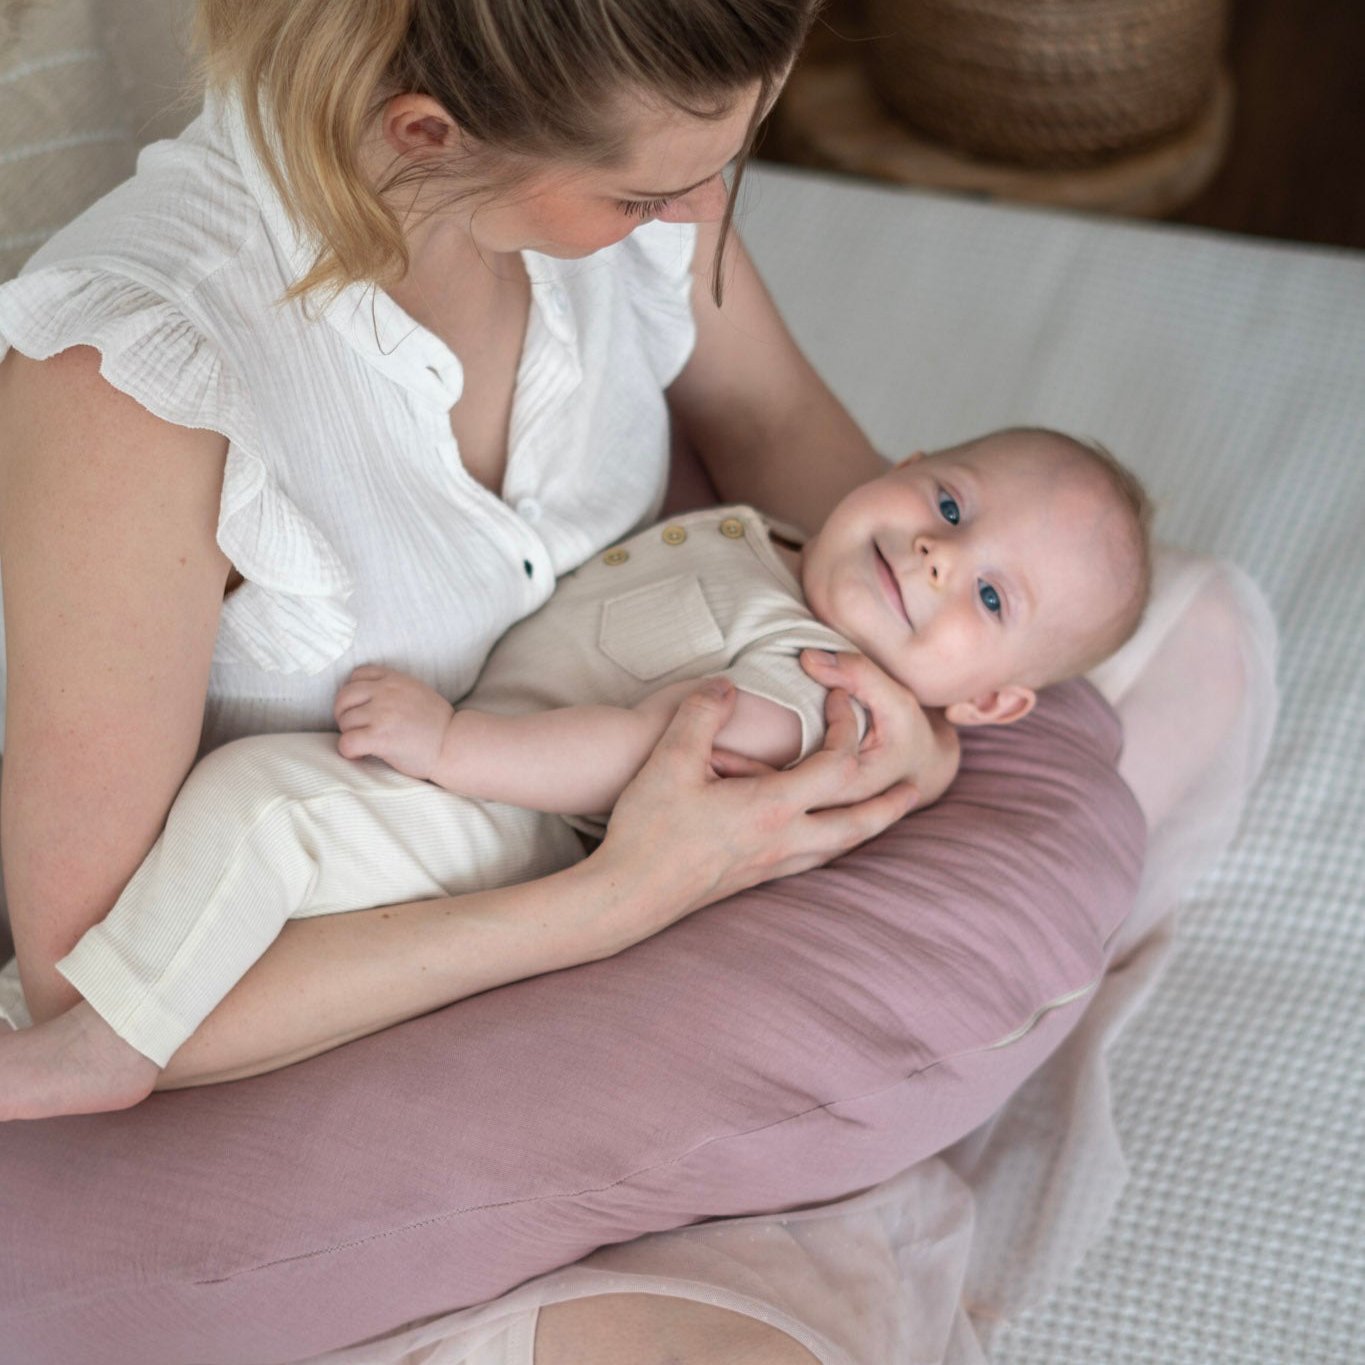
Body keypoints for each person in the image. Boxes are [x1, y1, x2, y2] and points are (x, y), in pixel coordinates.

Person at [0, 1, 1257, 1360]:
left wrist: (921, 715)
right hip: (278, 957)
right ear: (429, 134)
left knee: (1178, 638)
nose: (701, 207)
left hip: (561, 810)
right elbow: (92, 984)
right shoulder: (137, 387)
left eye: (733, 156)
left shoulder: (664, 200)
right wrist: (617, 899)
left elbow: (786, 436)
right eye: (645, 188)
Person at [0, 426, 1152, 1120]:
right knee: (238, 843)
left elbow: (647, 748)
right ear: (901, 464)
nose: (942, 551)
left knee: (264, 806)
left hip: (505, 814)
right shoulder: (787, 548)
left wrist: (452, 746)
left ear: (994, 699)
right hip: (480, 772)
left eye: (992, 598)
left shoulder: (819, 688)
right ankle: (69, 995)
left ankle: (104, 1046)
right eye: (949, 501)